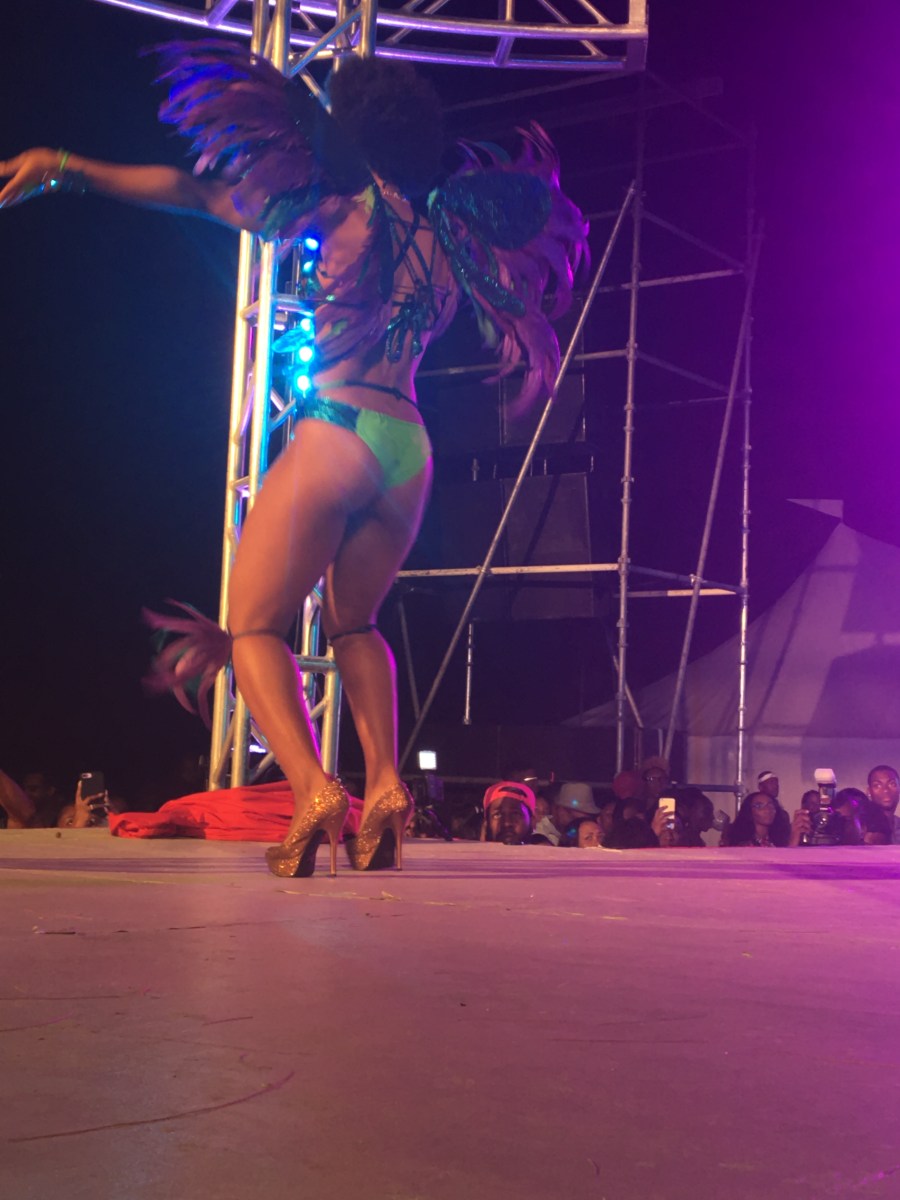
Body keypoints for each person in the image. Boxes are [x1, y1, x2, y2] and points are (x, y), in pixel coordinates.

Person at [1, 43, 586, 878]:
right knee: (355, 625)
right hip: (408, 447)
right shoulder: (449, 238)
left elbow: (195, 194)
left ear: (352, 130)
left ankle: (314, 788)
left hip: (337, 428)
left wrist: (67, 167)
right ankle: (384, 785)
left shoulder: (336, 210)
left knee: (251, 629)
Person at [723, 791, 790, 847]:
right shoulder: (743, 843)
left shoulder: (780, 838)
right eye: (759, 806)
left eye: (770, 805)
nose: (767, 809)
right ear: (749, 811)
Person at [866, 765, 900, 844]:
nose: (885, 790)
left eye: (892, 784)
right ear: (869, 792)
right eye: (877, 785)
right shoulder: (862, 827)